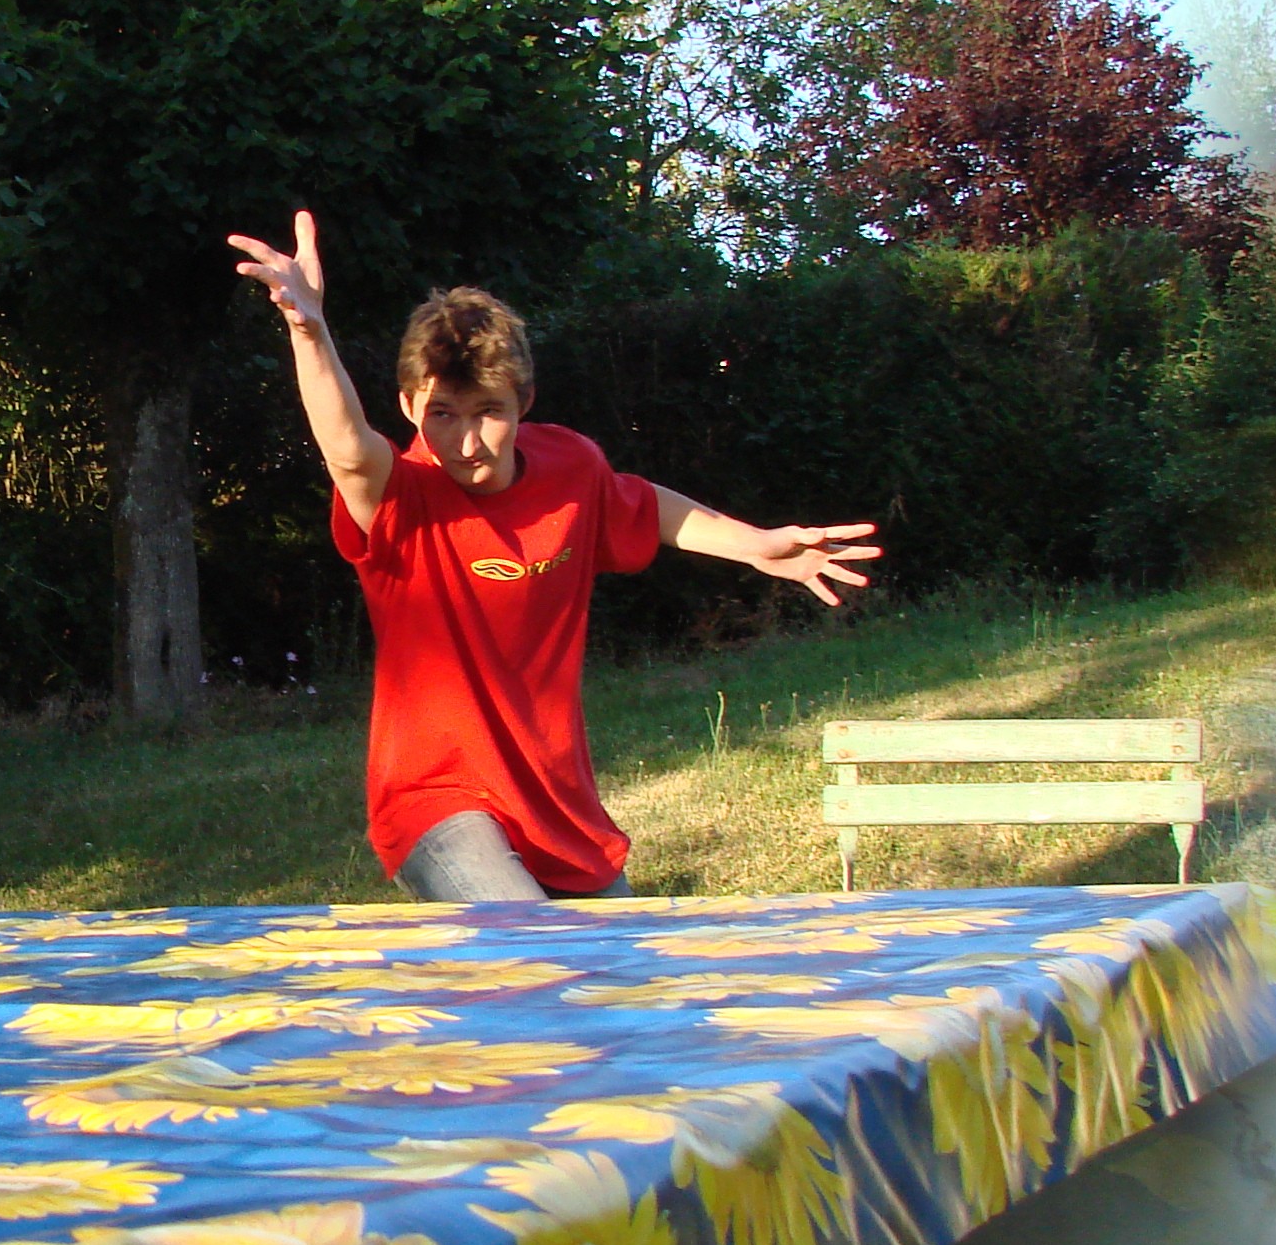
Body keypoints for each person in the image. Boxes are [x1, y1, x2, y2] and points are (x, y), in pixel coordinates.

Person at [230, 213, 881, 901]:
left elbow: (641, 504)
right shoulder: (402, 497)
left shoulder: (570, 468)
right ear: (408, 406)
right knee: (531, 946)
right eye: (442, 414)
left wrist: (757, 546)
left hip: (556, 805)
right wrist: (308, 330)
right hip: (436, 800)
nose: (467, 443)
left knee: (622, 967)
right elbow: (345, 450)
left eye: (489, 412)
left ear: (525, 403)